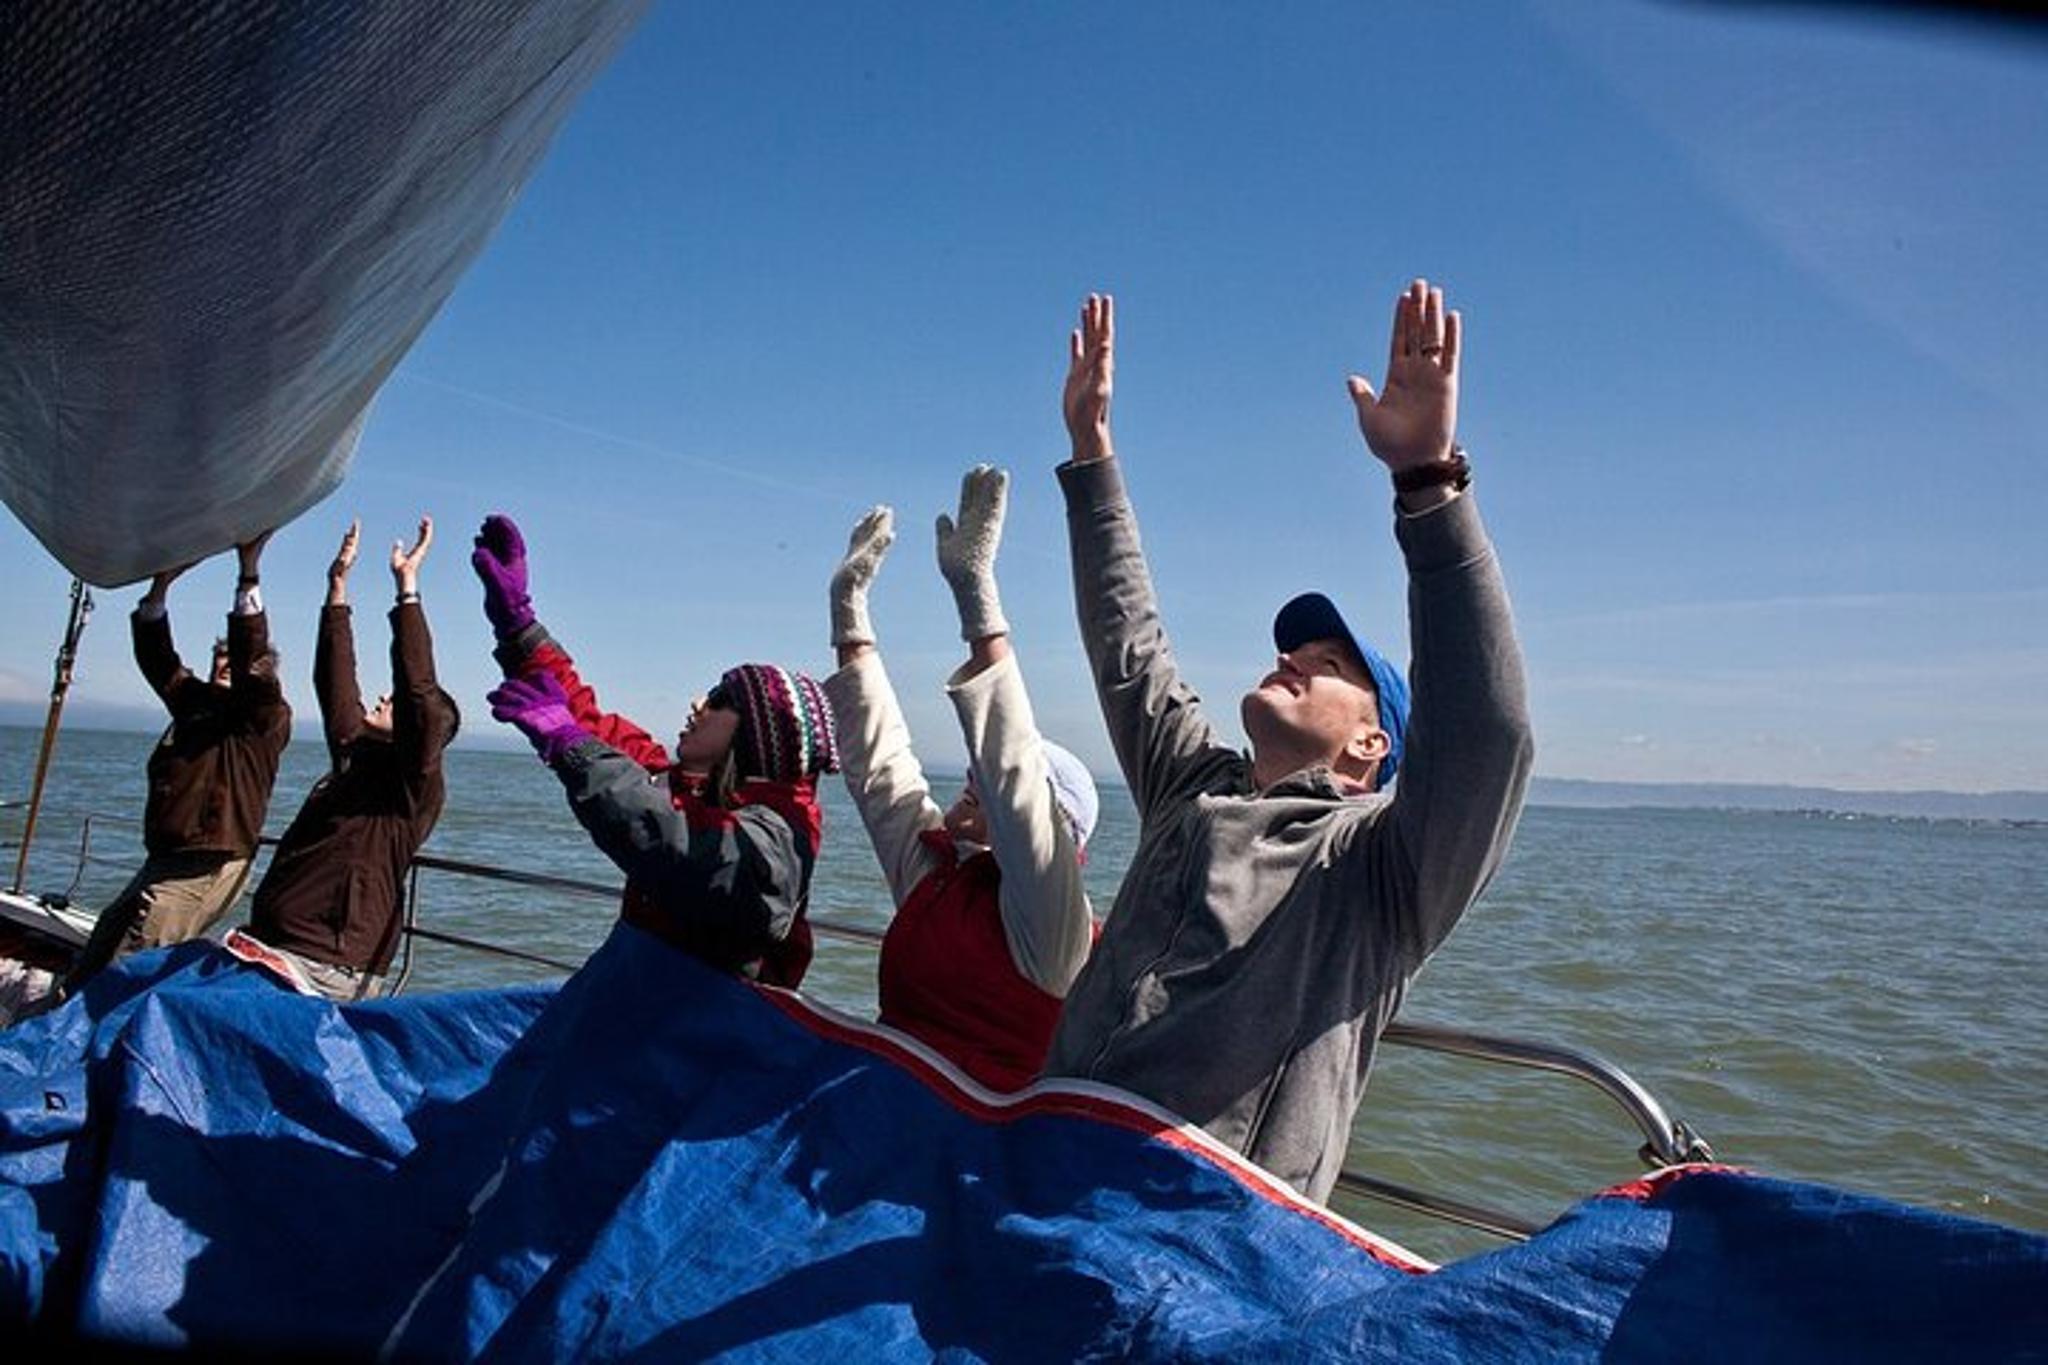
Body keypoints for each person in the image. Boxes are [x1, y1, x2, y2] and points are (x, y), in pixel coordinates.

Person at [1044, 282, 1534, 1201]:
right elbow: (1129, 645)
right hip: (1041, 1156)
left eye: (1326, 662)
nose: (1291, 659)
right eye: (1290, 648)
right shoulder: (1192, 787)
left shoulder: (1379, 869)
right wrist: (1091, 455)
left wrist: (1428, 485)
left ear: (1372, 747)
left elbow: (1487, 736)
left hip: (1202, 1234)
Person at [825, 467, 1100, 1092]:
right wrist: (850, 617)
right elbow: (880, 771)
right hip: (876, 1100)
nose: (976, 777)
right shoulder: (942, 880)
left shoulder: (1054, 926)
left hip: (974, 1144)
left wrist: (979, 599)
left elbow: (1015, 775)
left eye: (990, 782)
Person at [475, 515, 838, 986]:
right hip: (640, 1011)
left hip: (702, 1043)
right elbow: (584, 716)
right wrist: (519, 624)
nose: (698, 704)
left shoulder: (780, 833)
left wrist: (572, 746)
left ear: (757, 739)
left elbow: (687, 847)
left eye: (720, 700)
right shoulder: (677, 782)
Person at [226, 518, 459, 1002]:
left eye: (393, 700)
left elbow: (418, 693)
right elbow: (335, 681)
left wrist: (407, 591)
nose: (382, 696)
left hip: (326, 967)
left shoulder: (414, 783)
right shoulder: (357, 755)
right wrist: (337, 588)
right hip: (277, 943)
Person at [57, 532, 291, 997]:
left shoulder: (262, 719)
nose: (224, 666)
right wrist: (158, 590)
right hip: (165, 855)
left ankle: (102, 1052)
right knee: (106, 936)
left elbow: (254, 668)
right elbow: (158, 658)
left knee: (136, 960)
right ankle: (61, 1022)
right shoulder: (195, 704)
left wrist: (248, 574)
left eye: (233, 663)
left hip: (209, 862)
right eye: (218, 660)